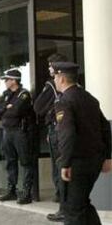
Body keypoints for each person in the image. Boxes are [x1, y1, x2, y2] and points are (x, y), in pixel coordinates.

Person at [51, 62, 111, 225]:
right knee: (82, 203)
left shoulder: (64, 101)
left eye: (55, 77)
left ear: (62, 78)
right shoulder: (89, 98)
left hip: (77, 163)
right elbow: (106, 128)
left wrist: (65, 164)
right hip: (94, 161)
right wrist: (107, 157)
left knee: (72, 209)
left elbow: (67, 135)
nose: (54, 81)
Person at [34, 53, 68, 222]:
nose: (48, 68)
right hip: (62, 130)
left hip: (58, 130)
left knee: (60, 167)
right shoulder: (76, 88)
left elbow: (38, 106)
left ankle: (63, 203)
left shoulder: (51, 86)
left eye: (50, 65)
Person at [0, 69, 35, 205]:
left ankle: (27, 192)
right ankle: (12, 190)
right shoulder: (6, 94)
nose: (5, 82)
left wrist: (6, 109)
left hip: (20, 132)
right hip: (7, 131)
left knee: (25, 162)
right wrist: (7, 107)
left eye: (7, 79)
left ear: (14, 80)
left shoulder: (24, 94)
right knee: (10, 161)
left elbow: (16, 111)